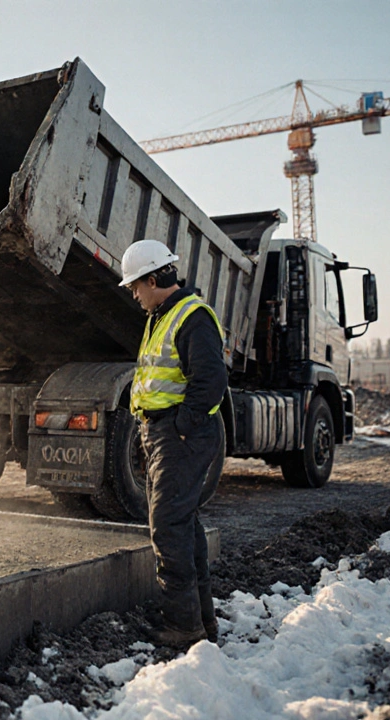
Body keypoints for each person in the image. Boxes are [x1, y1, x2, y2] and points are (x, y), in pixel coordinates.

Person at [118, 239, 228, 647]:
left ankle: (182, 627)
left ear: (153, 278)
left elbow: (211, 380)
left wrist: (182, 426)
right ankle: (201, 623)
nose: (133, 294)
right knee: (183, 524)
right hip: (163, 432)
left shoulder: (192, 316)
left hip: (182, 435)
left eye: (135, 286)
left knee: (166, 525)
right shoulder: (162, 314)